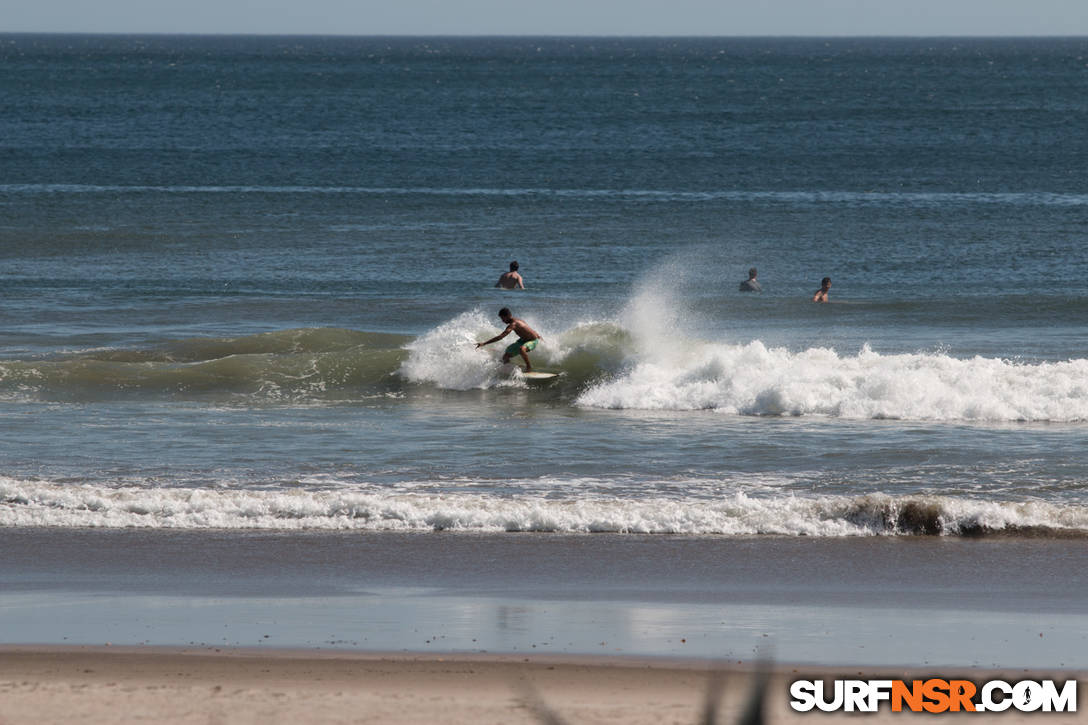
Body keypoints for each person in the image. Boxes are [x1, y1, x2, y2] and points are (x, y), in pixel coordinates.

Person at [476, 307, 541, 372]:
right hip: (523, 340)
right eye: (501, 319)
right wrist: (538, 335)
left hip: (532, 340)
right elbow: (529, 329)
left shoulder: (513, 324)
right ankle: (515, 367)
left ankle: (529, 367)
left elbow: (500, 337)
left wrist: (484, 343)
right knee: (505, 357)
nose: (502, 321)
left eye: (503, 318)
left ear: (508, 316)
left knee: (522, 349)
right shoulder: (517, 320)